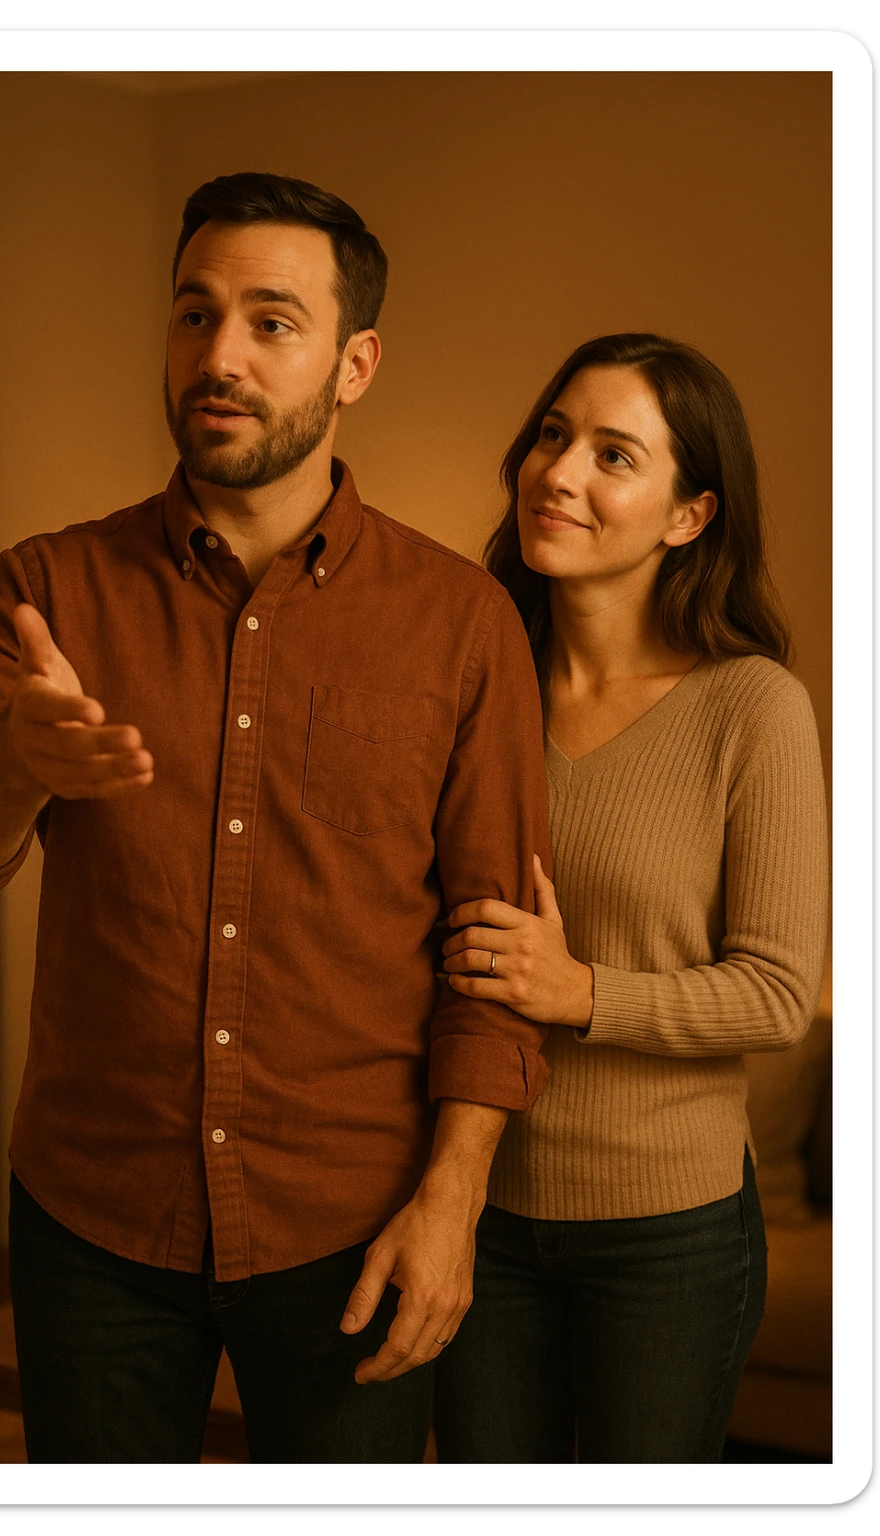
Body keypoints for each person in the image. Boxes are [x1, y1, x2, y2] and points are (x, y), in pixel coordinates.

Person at [0, 172, 553, 1464]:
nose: (220, 356)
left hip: (353, 1230)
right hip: (93, 1221)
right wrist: (18, 763)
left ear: (355, 362)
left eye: (271, 322)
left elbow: (495, 955)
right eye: (194, 315)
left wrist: (454, 1198)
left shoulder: (465, 624)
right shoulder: (47, 586)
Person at [432, 333, 829, 1464]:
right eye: (553, 436)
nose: (559, 472)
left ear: (688, 515)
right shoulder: (470, 681)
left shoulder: (752, 708)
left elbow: (772, 993)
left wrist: (579, 991)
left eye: (614, 454)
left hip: (670, 1239)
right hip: (476, 1208)